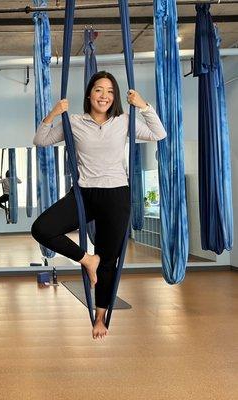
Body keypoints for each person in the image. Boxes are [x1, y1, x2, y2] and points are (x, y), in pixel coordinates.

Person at [31, 71, 166, 340]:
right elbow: (41, 139)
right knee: (42, 228)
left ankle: (100, 317)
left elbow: (158, 133)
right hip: (83, 194)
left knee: (109, 261)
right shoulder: (75, 122)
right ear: (89, 94)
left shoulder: (124, 121)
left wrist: (144, 106)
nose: (104, 96)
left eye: (110, 91)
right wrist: (53, 113)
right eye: (98, 90)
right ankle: (86, 259)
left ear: (114, 97)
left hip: (116, 196)